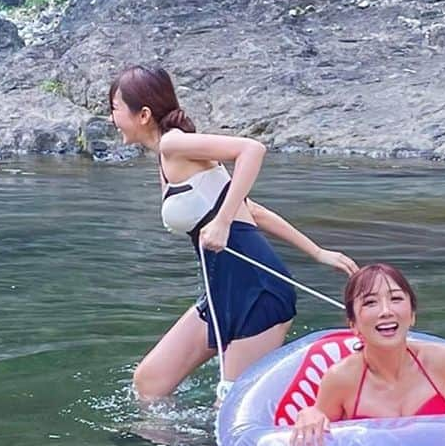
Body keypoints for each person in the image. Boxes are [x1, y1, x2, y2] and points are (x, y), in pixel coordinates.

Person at [109, 65, 358, 400]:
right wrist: (317, 252)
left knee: (230, 407)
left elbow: (251, 150)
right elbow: (251, 209)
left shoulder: (175, 144)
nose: (112, 119)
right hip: (221, 290)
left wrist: (222, 223)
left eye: (114, 109)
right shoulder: (169, 157)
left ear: (143, 114)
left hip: (257, 291)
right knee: (149, 382)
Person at [290, 263, 445, 446]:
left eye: (396, 299)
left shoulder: (443, 361)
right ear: (353, 325)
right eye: (370, 303)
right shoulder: (341, 379)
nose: (386, 311)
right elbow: (316, 444)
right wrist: (310, 414)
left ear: (412, 314)